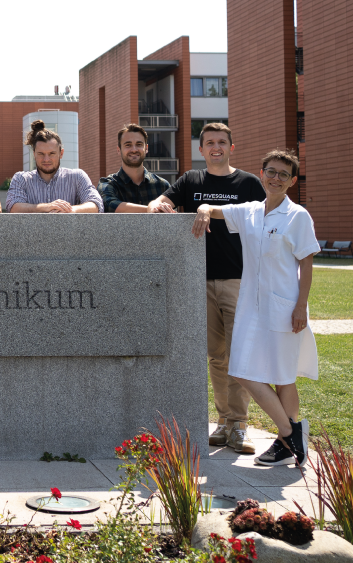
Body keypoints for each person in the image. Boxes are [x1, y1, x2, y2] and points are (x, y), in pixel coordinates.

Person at [190, 149, 318, 466]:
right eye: (270, 171)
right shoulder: (249, 211)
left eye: (283, 174)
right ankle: (292, 433)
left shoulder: (297, 216)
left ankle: (285, 442)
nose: (275, 178)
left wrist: (301, 306)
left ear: (293, 181)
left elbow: (307, 262)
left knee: (284, 376)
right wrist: (205, 208)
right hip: (251, 307)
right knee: (242, 370)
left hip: (285, 307)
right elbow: (217, 210)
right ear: (261, 174)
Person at [148, 123, 265, 455]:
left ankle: (239, 425)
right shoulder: (191, 181)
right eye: (209, 143)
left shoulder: (248, 183)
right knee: (216, 355)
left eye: (222, 142)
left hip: (238, 278)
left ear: (231, 146)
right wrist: (158, 202)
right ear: (201, 150)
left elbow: (261, 224)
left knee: (240, 353)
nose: (216, 147)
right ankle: (223, 421)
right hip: (199, 280)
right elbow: (164, 199)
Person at [6, 120, 102, 213]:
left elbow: (96, 204)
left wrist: (70, 210)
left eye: (52, 153)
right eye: (41, 154)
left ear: (61, 153)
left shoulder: (77, 177)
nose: (46, 159)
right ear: (34, 154)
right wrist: (47, 207)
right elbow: (13, 207)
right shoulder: (21, 179)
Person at [98, 124, 170, 212]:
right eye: (128, 145)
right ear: (118, 150)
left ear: (146, 148)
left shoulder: (163, 186)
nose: (134, 149)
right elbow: (109, 205)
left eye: (139, 144)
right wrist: (152, 210)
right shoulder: (107, 184)